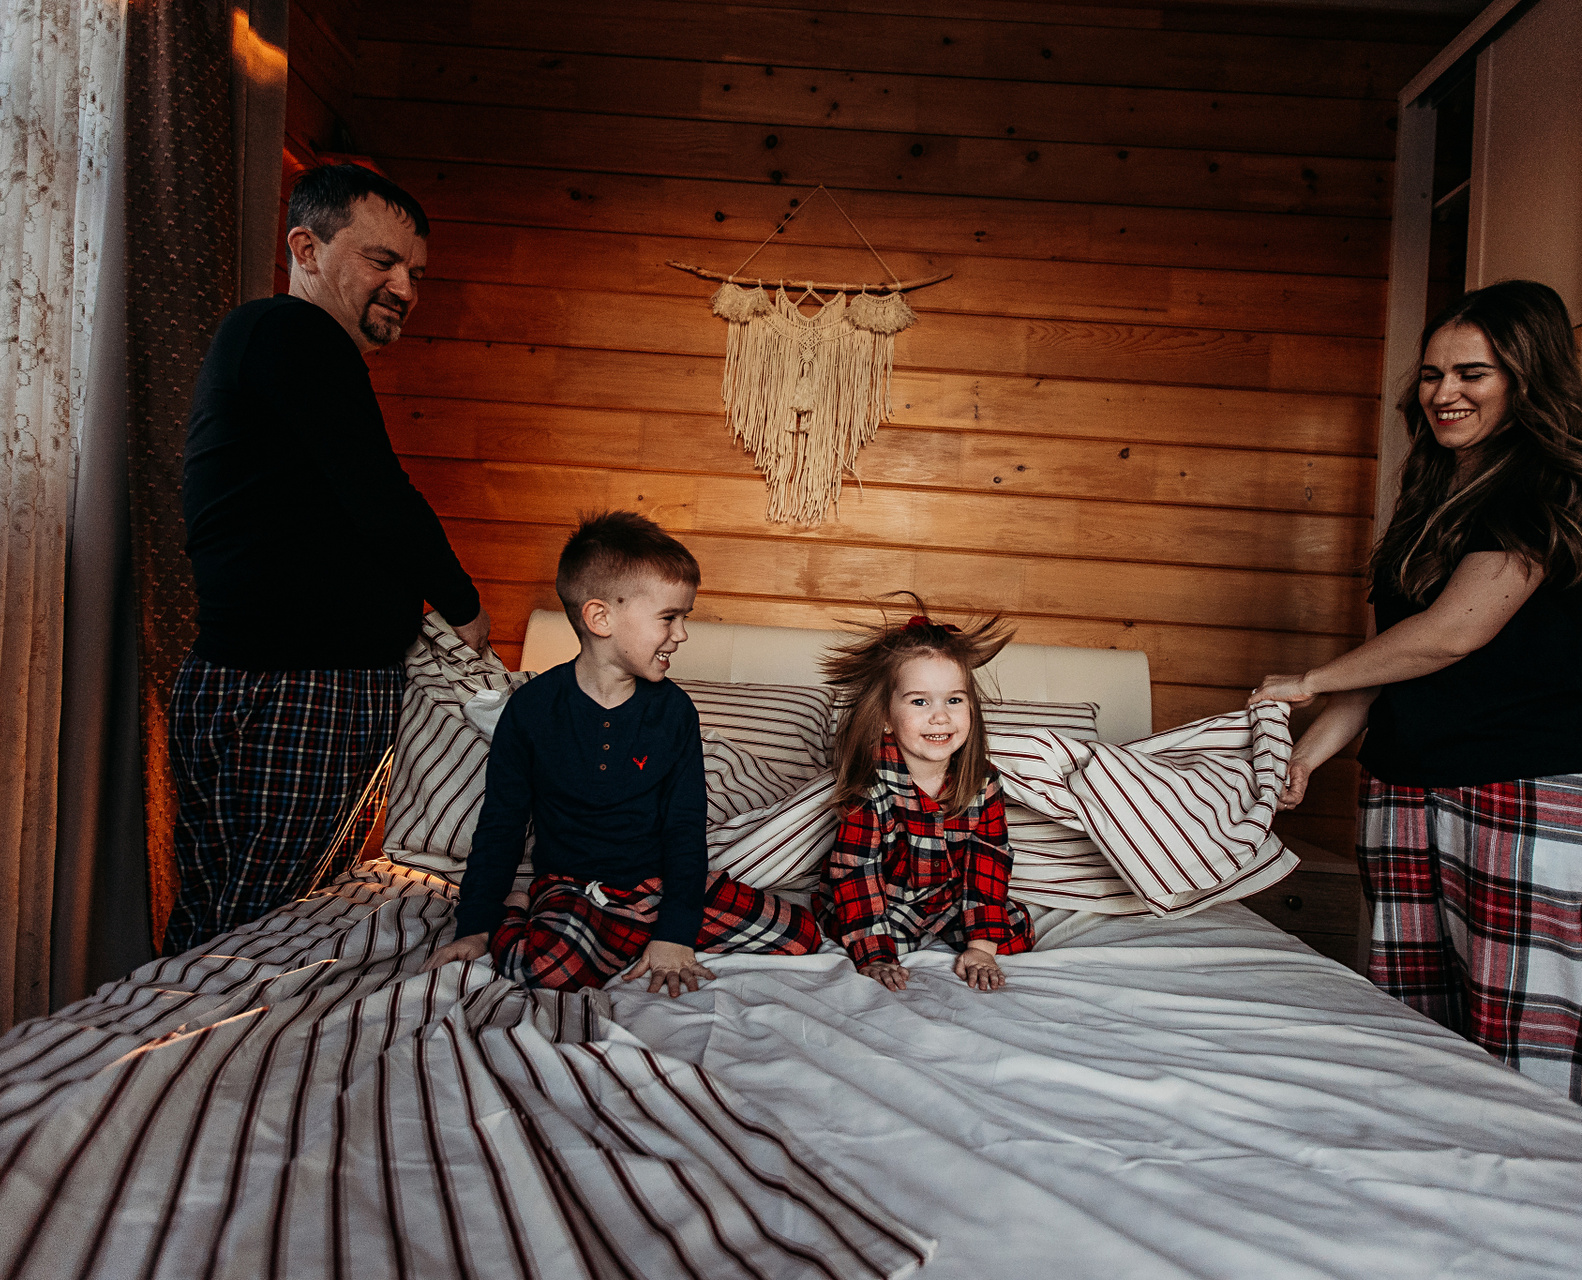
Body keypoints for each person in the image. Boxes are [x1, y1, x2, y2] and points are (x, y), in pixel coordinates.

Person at [1249, 280, 1582, 1121]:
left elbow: (1454, 632)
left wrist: (1308, 681)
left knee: (1531, 1046)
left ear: (1526, 379)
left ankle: (1558, 1191)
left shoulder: (1550, 485)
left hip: (1526, 788)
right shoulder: (1430, 499)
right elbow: (1395, 658)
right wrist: (1308, 755)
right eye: (1431, 374)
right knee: (1418, 1039)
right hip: (1407, 789)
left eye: (1472, 373)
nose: (1444, 393)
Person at [169, 164, 491, 953]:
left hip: (244, 670)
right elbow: (376, 490)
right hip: (303, 687)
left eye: (416, 273)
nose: (405, 288)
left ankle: (168, 1026)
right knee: (266, 927)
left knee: (216, 914)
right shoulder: (296, 333)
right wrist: (462, 602)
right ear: (307, 249)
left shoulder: (266, 342)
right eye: (383, 261)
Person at [420, 511, 822, 993]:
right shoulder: (531, 709)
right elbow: (500, 826)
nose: (681, 634)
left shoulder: (674, 712)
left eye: (684, 618)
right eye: (669, 618)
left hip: (658, 886)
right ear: (600, 618)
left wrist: (674, 934)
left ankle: (627, 939)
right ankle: (520, 909)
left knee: (801, 935)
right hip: (574, 889)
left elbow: (685, 829)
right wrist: (475, 925)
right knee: (545, 968)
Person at [816, 598, 1035, 992]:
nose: (940, 716)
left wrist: (981, 948)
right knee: (854, 931)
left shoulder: (982, 781)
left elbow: (989, 864)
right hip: (884, 901)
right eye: (920, 701)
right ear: (886, 717)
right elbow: (856, 872)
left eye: (954, 700)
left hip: (944, 902)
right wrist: (876, 954)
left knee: (1016, 931)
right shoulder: (871, 786)